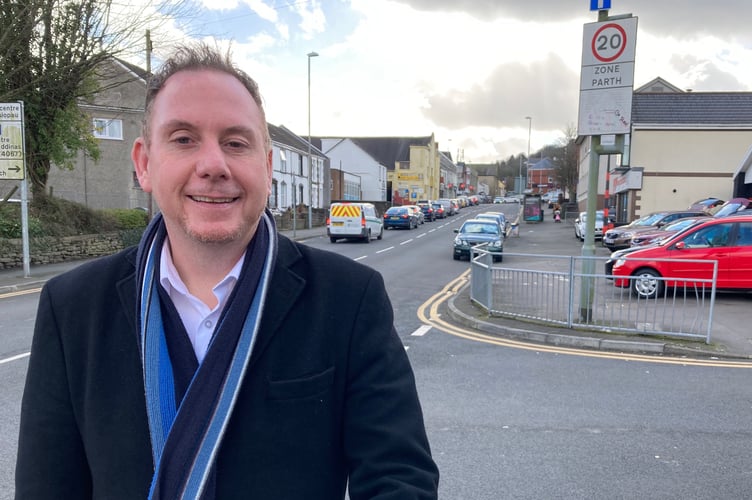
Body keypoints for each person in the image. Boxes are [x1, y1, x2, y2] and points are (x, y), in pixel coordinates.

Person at [15, 43, 439, 499]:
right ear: (144, 163)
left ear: (267, 164)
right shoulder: (72, 306)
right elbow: (47, 486)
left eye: (236, 143)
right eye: (183, 139)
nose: (213, 165)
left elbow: (399, 480)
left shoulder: (349, 298)